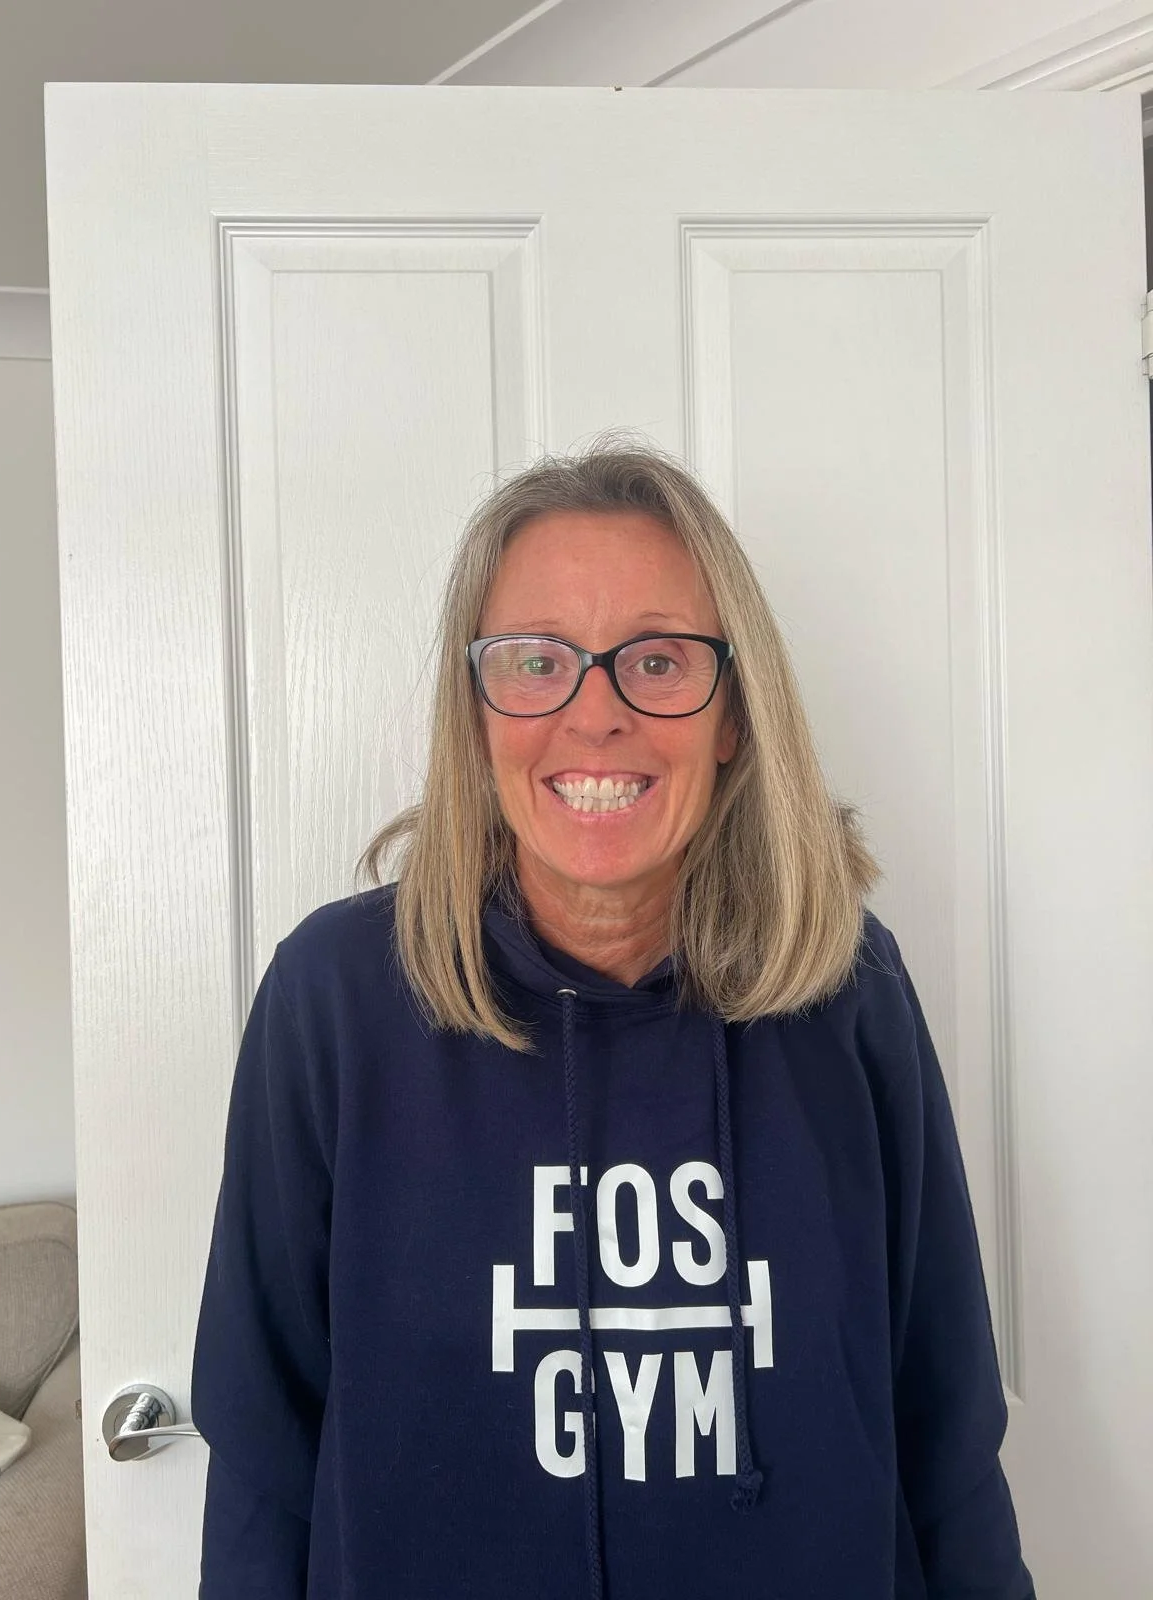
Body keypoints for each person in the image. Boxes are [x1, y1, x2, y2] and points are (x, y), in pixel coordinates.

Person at [190, 441, 1036, 1599]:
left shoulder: (849, 986)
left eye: (657, 659)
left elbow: (947, 1433)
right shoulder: (333, 1000)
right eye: (536, 662)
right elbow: (259, 1449)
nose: (597, 715)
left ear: (734, 713)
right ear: (476, 712)